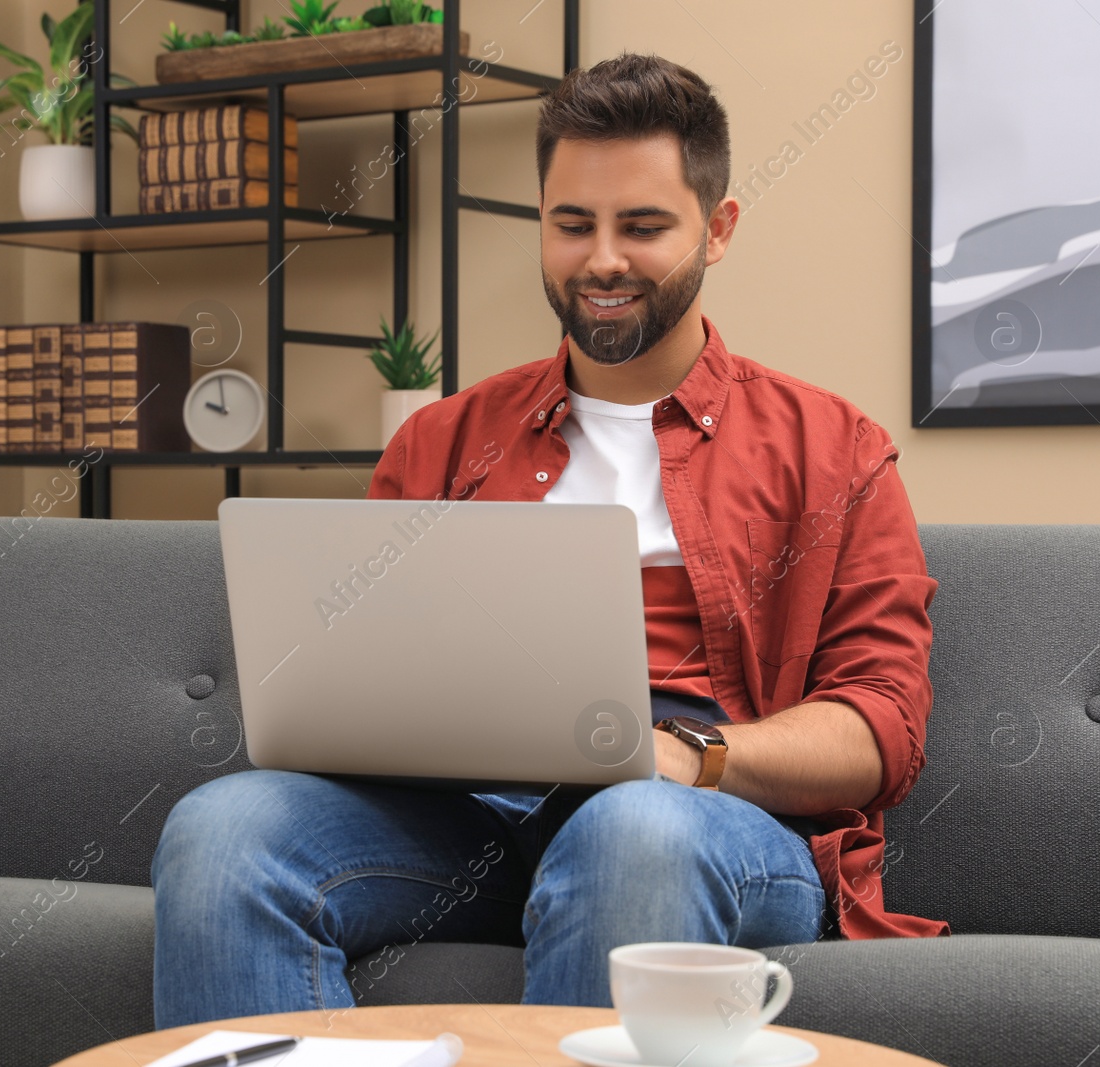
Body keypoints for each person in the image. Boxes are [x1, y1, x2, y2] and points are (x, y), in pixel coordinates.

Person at [151, 51, 948, 1028]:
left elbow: (882, 730)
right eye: (572, 223)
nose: (602, 258)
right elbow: (356, 680)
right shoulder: (439, 445)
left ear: (720, 227)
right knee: (224, 829)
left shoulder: (836, 450)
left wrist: (688, 756)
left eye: (643, 225)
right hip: (469, 819)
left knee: (629, 826)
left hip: (710, 823)